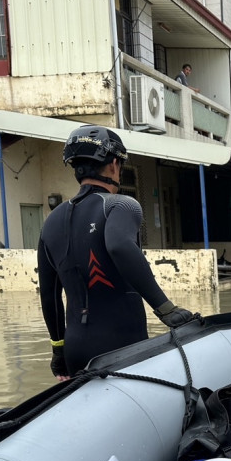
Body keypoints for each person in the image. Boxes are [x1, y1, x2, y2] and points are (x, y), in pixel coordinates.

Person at [38, 125, 193, 380]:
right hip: (122, 344)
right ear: (113, 164)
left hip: (75, 350)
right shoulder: (120, 205)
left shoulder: (50, 222)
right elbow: (119, 246)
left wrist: (58, 350)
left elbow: (49, 295)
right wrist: (166, 309)